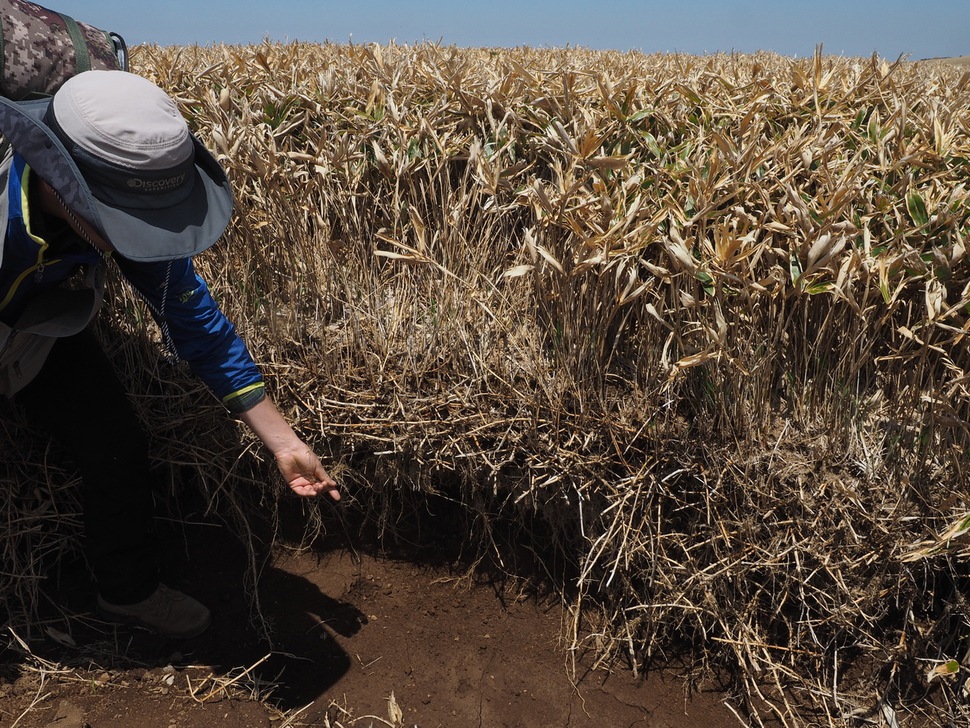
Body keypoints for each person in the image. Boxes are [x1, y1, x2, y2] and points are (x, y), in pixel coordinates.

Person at [0, 70, 340, 639]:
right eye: (127, 219)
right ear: (60, 177)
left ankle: (126, 591)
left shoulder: (113, 216)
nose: (143, 236)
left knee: (115, 443)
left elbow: (199, 328)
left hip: (37, 328)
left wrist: (285, 443)